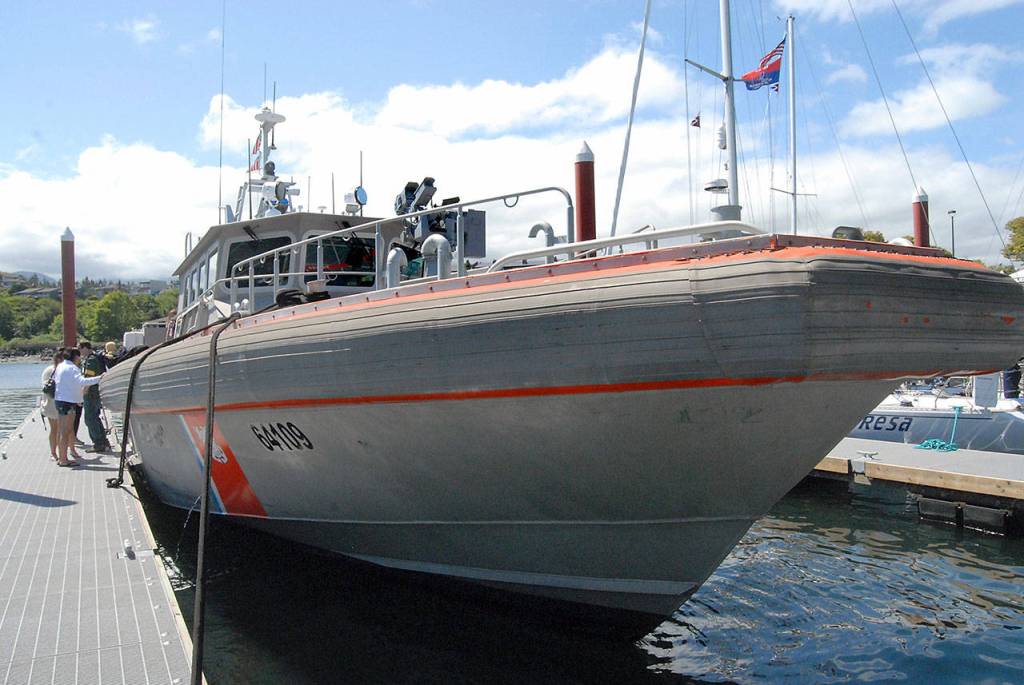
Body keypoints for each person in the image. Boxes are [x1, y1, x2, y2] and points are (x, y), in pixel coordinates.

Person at [53, 348, 103, 466]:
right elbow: (82, 381)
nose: (80, 359)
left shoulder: (60, 366)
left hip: (60, 400)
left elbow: (59, 381)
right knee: (66, 431)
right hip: (68, 402)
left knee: (63, 430)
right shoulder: (73, 368)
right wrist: (100, 378)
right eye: (79, 357)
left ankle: (62, 457)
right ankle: (63, 459)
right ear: (75, 357)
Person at [79, 341, 111, 451]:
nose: (79, 352)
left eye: (80, 349)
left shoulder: (91, 360)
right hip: (96, 393)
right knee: (95, 418)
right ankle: (104, 441)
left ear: (85, 348)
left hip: (91, 394)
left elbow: (88, 379)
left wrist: (83, 392)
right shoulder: (95, 358)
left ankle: (98, 443)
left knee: (90, 419)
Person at [40, 350, 63, 460]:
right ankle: (55, 453)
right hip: (55, 403)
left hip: (48, 403)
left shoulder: (47, 370)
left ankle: (54, 453)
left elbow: (44, 387)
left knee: (54, 429)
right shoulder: (58, 371)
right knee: (57, 429)